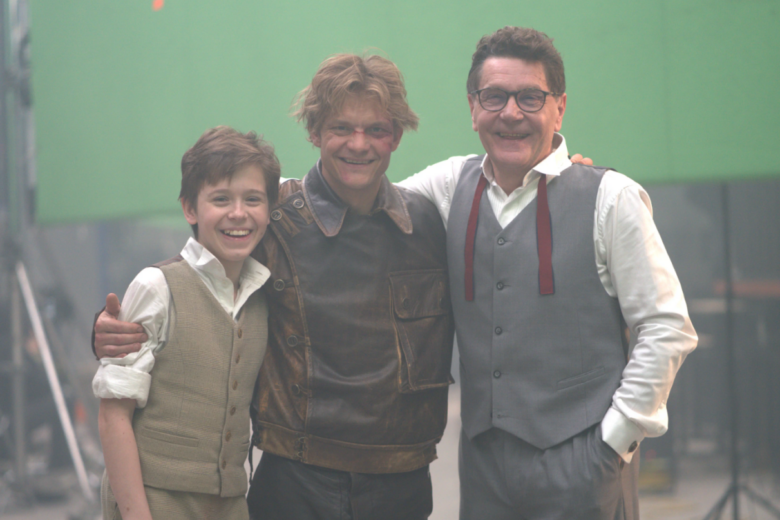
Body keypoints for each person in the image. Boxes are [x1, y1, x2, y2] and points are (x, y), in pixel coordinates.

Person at [94, 54, 455, 520]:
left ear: (397, 136)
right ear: (314, 132)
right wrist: (109, 330)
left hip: (405, 482)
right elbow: (189, 283)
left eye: (376, 129)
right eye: (341, 127)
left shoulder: (428, 221)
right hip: (297, 484)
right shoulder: (271, 217)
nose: (358, 143)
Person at [398, 26, 698, 519]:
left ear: (559, 108)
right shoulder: (449, 185)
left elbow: (667, 327)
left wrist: (615, 439)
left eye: (530, 97)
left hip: (584, 468)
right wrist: (264, 197)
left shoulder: (611, 198)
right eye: (494, 97)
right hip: (483, 472)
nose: (511, 112)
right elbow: (366, 203)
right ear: (472, 107)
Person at [92, 126, 280, 520]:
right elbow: (113, 416)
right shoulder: (156, 285)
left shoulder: (263, 297)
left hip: (230, 504)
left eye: (253, 199)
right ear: (190, 209)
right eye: (220, 199)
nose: (238, 213)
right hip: (154, 501)